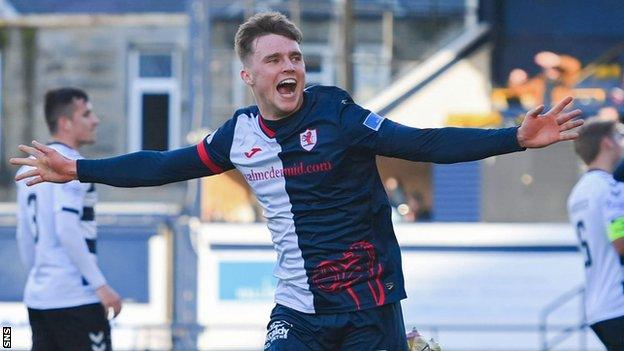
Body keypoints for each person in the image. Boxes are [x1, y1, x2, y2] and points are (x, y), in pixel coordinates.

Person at [11, 12, 583, 351]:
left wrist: (514, 137)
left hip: (370, 307)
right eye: (275, 60)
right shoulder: (239, 136)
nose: (289, 68)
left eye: (296, 58)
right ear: (248, 75)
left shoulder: (339, 113)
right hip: (299, 310)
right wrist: (79, 169)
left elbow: (422, 143)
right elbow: (163, 166)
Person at [15, 88, 122, 351]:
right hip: (76, 299)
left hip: (39, 299)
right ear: (66, 123)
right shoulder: (71, 165)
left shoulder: (27, 167)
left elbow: (23, 236)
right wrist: (101, 286)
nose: (95, 120)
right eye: (86, 114)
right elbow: (66, 229)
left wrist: (42, 278)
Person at [567, 118, 624, 351]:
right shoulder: (609, 187)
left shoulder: (578, 193)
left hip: (597, 307)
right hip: (619, 303)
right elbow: (620, 244)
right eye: (619, 136)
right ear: (607, 143)